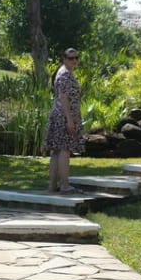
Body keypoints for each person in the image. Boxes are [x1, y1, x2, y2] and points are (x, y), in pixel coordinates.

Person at [46, 47, 85, 193]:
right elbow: (63, 97)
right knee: (64, 150)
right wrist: (69, 120)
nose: (74, 61)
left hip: (59, 114)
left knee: (57, 150)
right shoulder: (65, 75)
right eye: (70, 58)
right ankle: (64, 185)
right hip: (63, 116)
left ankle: (52, 185)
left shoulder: (63, 73)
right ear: (64, 59)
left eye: (76, 58)